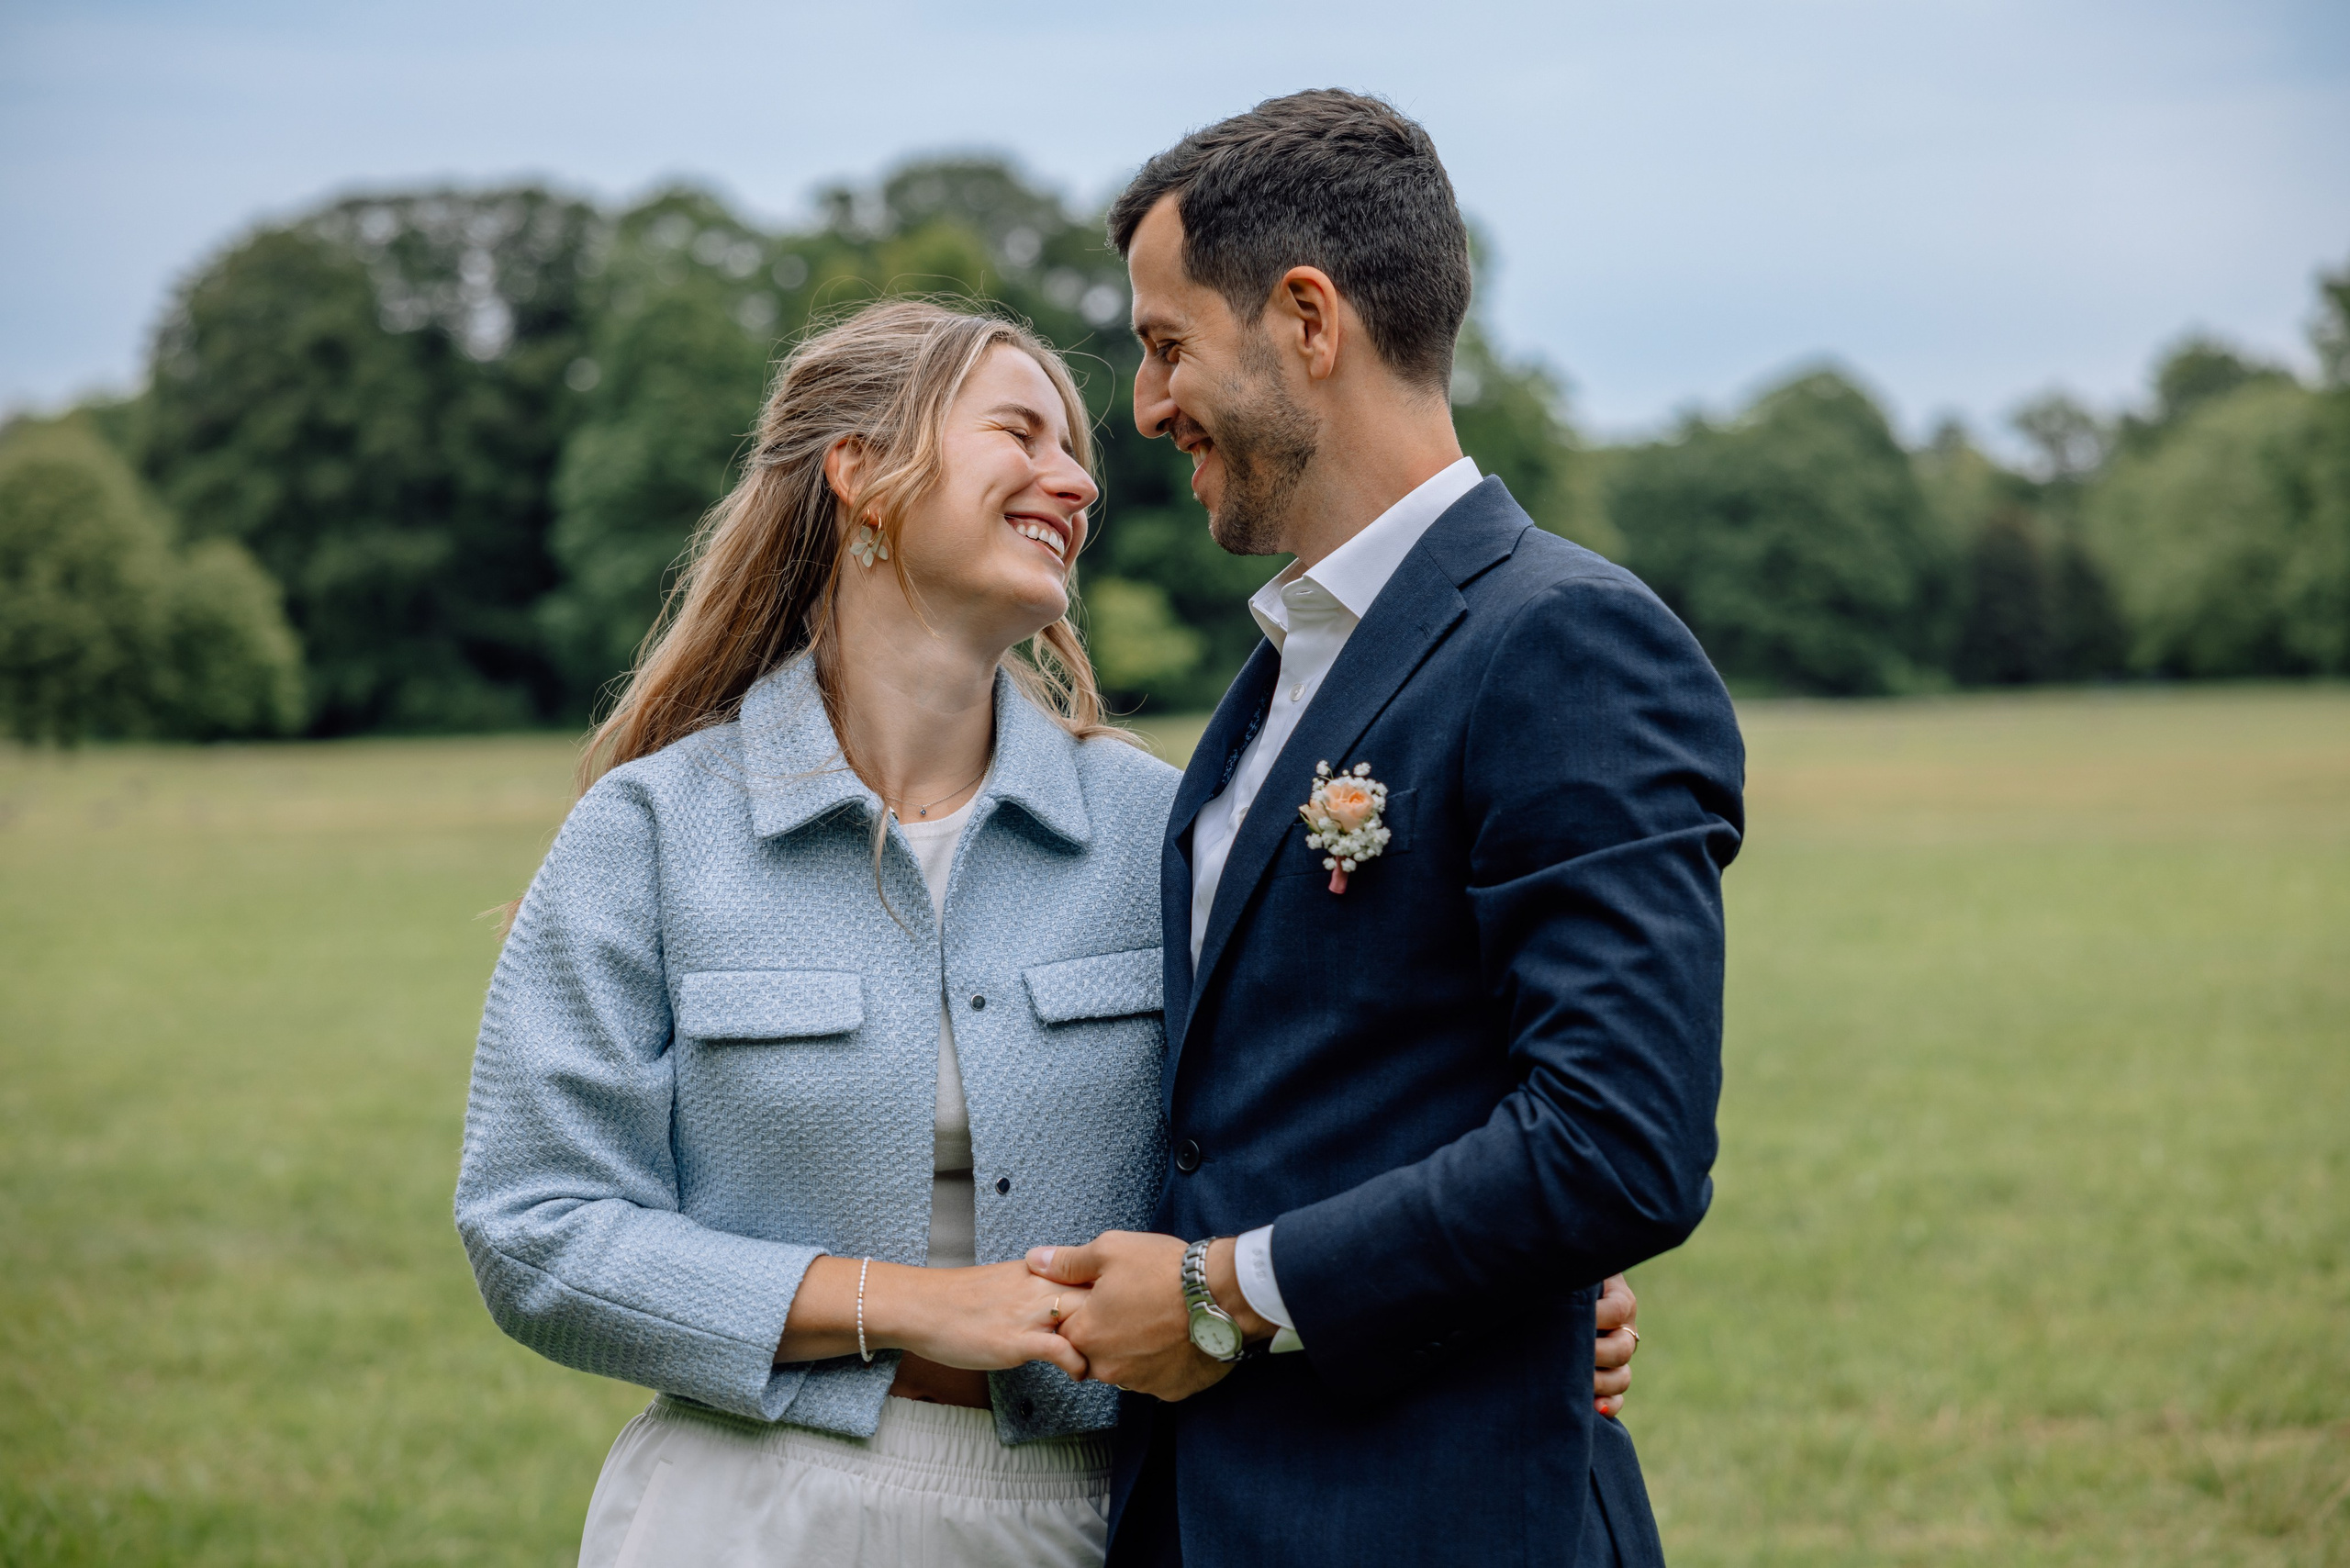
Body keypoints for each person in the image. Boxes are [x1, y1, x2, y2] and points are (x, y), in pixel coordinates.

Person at [453, 297, 1643, 1568]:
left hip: (1094, 1519)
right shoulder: (648, 833)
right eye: (1021, 432)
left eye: (1076, 451)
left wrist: (1517, 1287)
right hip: (744, 1515)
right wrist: (912, 1306)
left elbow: (1327, 1119)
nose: (1076, 479)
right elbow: (536, 1225)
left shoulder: (1167, 829)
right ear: (861, 471)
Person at [1025, 91, 1746, 1568]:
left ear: (1306, 318)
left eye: (1166, 346)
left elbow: (1620, 1143)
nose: (1148, 409)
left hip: (1441, 1517)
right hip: (1213, 1516)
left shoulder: (1566, 641)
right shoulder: (1286, 668)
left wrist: (1229, 1295)